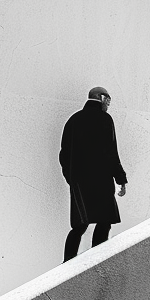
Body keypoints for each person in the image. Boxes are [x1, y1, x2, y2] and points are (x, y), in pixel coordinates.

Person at [59, 86, 127, 262]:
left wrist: (72, 179)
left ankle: (67, 263)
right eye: (108, 100)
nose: (108, 104)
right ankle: (97, 261)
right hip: (101, 182)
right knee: (104, 221)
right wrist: (120, 178)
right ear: (101, 98)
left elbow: (63, 155)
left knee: (79, 225)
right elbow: (111, 152)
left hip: (79, 183)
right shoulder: (105, 120)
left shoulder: (73, 120)